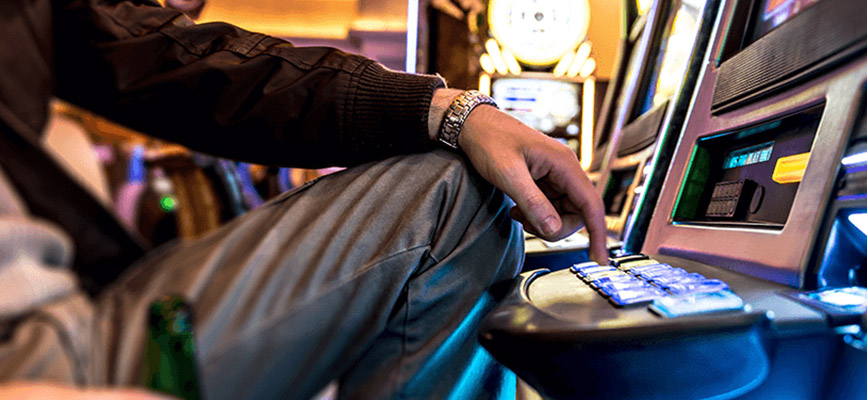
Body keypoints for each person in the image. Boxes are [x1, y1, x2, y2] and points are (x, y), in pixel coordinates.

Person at [0, 0, 608, 399]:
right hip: (29, 355)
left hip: (62, 311)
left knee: (452, 180)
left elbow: (169, 54)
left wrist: (452, 111)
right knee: (456, 197)